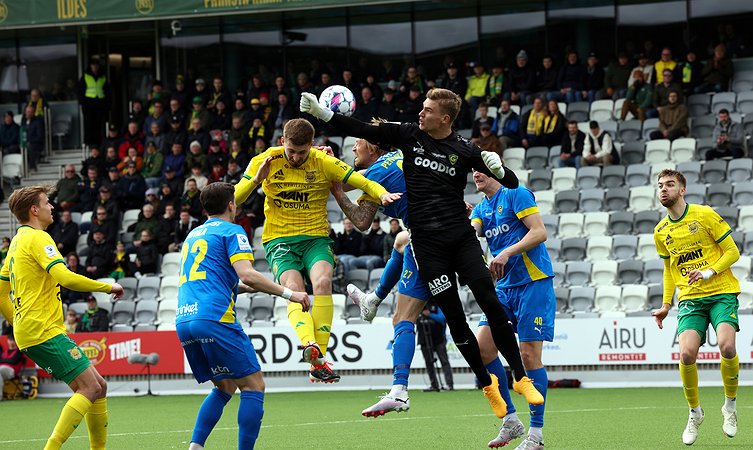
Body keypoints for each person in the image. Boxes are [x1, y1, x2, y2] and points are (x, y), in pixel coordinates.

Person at [302, 87, 543, 419]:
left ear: (444, 118)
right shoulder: (407, 138)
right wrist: (322, 115)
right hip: (428, 247)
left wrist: (500, 171)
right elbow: (361, 128)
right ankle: (491, 390)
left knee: (478, 303)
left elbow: (512, 184)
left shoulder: (456, 150)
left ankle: (517, 378)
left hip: (455, 240)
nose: (421, 112)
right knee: (452, 315)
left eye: (427, 109)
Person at [234, 118, 399, 383]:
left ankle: (317, 357)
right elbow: (234, 199)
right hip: (279, 240)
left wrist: (381, 195)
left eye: (302, 152)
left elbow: (363, 181)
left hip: (315, 238)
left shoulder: (322, 161)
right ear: (282, 142)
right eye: (291, 151)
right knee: (294, 290)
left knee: (322, 282)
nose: (296, 157)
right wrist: (255, 180)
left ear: (312, 145)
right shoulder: (265, 161)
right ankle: (312, 348)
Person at [176, 182, 310, 450]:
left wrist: (256, 288)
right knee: (253, 386)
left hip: (185, 319)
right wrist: (289, 293)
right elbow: (247, 274)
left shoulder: (193, 234)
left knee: (225, 386)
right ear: (231, 205)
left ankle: (195, 447)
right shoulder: (232, 230)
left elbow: (217, 278)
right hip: (215, 318)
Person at [0, 185, 123, 449]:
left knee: (99, 386)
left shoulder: (16, 243)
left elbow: (1, 295)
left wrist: (18, 322)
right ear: (34, 210)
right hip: (43, 330)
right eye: (47, 202)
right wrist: (107, 286)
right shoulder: (39, 238)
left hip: (33, 330)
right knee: (90, 388)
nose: (52, 206)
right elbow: (65, 278)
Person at [651, 169, 740, 445]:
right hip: (690, 298)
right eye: (660, 185)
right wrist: (666, 304)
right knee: (687, 354)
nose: (663, 189)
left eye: (669, 185)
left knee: (727, 346)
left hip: (721, 291)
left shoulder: (704, 214)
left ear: (682, 190)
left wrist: (709, 272)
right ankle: (695, 412)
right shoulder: (660, 231)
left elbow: (733, 252)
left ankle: (730, 408)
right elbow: (668, 270)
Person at [470, 170, 555, 450]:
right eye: (472, 170)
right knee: (483, 349)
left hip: (533, 282)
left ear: (496, 169)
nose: (475, 173)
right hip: (504, 288)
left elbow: (539, 232)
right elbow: (471, 231)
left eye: (480, 167)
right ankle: (510, 420)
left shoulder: (516, 193)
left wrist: (506, 252)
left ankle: (536, 435)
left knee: (528, 356)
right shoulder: (481, 208)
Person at [417, 301, 453, 392]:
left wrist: (429, 314)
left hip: (439, 338)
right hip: (424, 339)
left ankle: (449, 384)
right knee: (429, 363)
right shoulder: (418, 303)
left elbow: (442, 319)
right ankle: (434, 385)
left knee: (444, 361)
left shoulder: (437, 304)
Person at [78, 58, 111, 148]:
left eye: (96, 65)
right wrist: (83, 104)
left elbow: (107, 91)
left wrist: (107, 104)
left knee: (99, 124)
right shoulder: (85, 77)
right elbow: (80, 91)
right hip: (89, 104)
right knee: (89, 124)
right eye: (93, 65)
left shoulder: (102, 77)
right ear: (90, 66)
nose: (95, 67)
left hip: (100, 103)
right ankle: (89, 142)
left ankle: (99, 142)